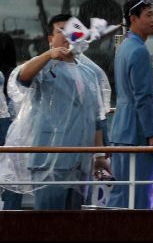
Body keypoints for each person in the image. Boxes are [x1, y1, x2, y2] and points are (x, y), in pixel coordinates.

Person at [0, 14, 108, 209]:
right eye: (61, 31)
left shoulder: (89, 73)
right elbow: (22, 78)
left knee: (74, 224)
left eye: (72, 31)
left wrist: (99, 155)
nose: (67, 36)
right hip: (50, 160)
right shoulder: (45, 65)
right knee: (49, 224)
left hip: (80, 161)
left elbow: (96, 116)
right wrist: (48, 55)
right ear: (51, 39)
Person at [108, 0, 153, 209]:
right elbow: (144, 98)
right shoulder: (139, 51)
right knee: (137, 199)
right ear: (133, 18)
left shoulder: (125, 47)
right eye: (148, 15)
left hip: (121, 130)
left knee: (122, 194)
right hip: (136, 133)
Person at [0, 32, 22, 210]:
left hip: (5, 122)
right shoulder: (14, 74)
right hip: (9, 125)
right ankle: (11, 213)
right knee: (12, 173)